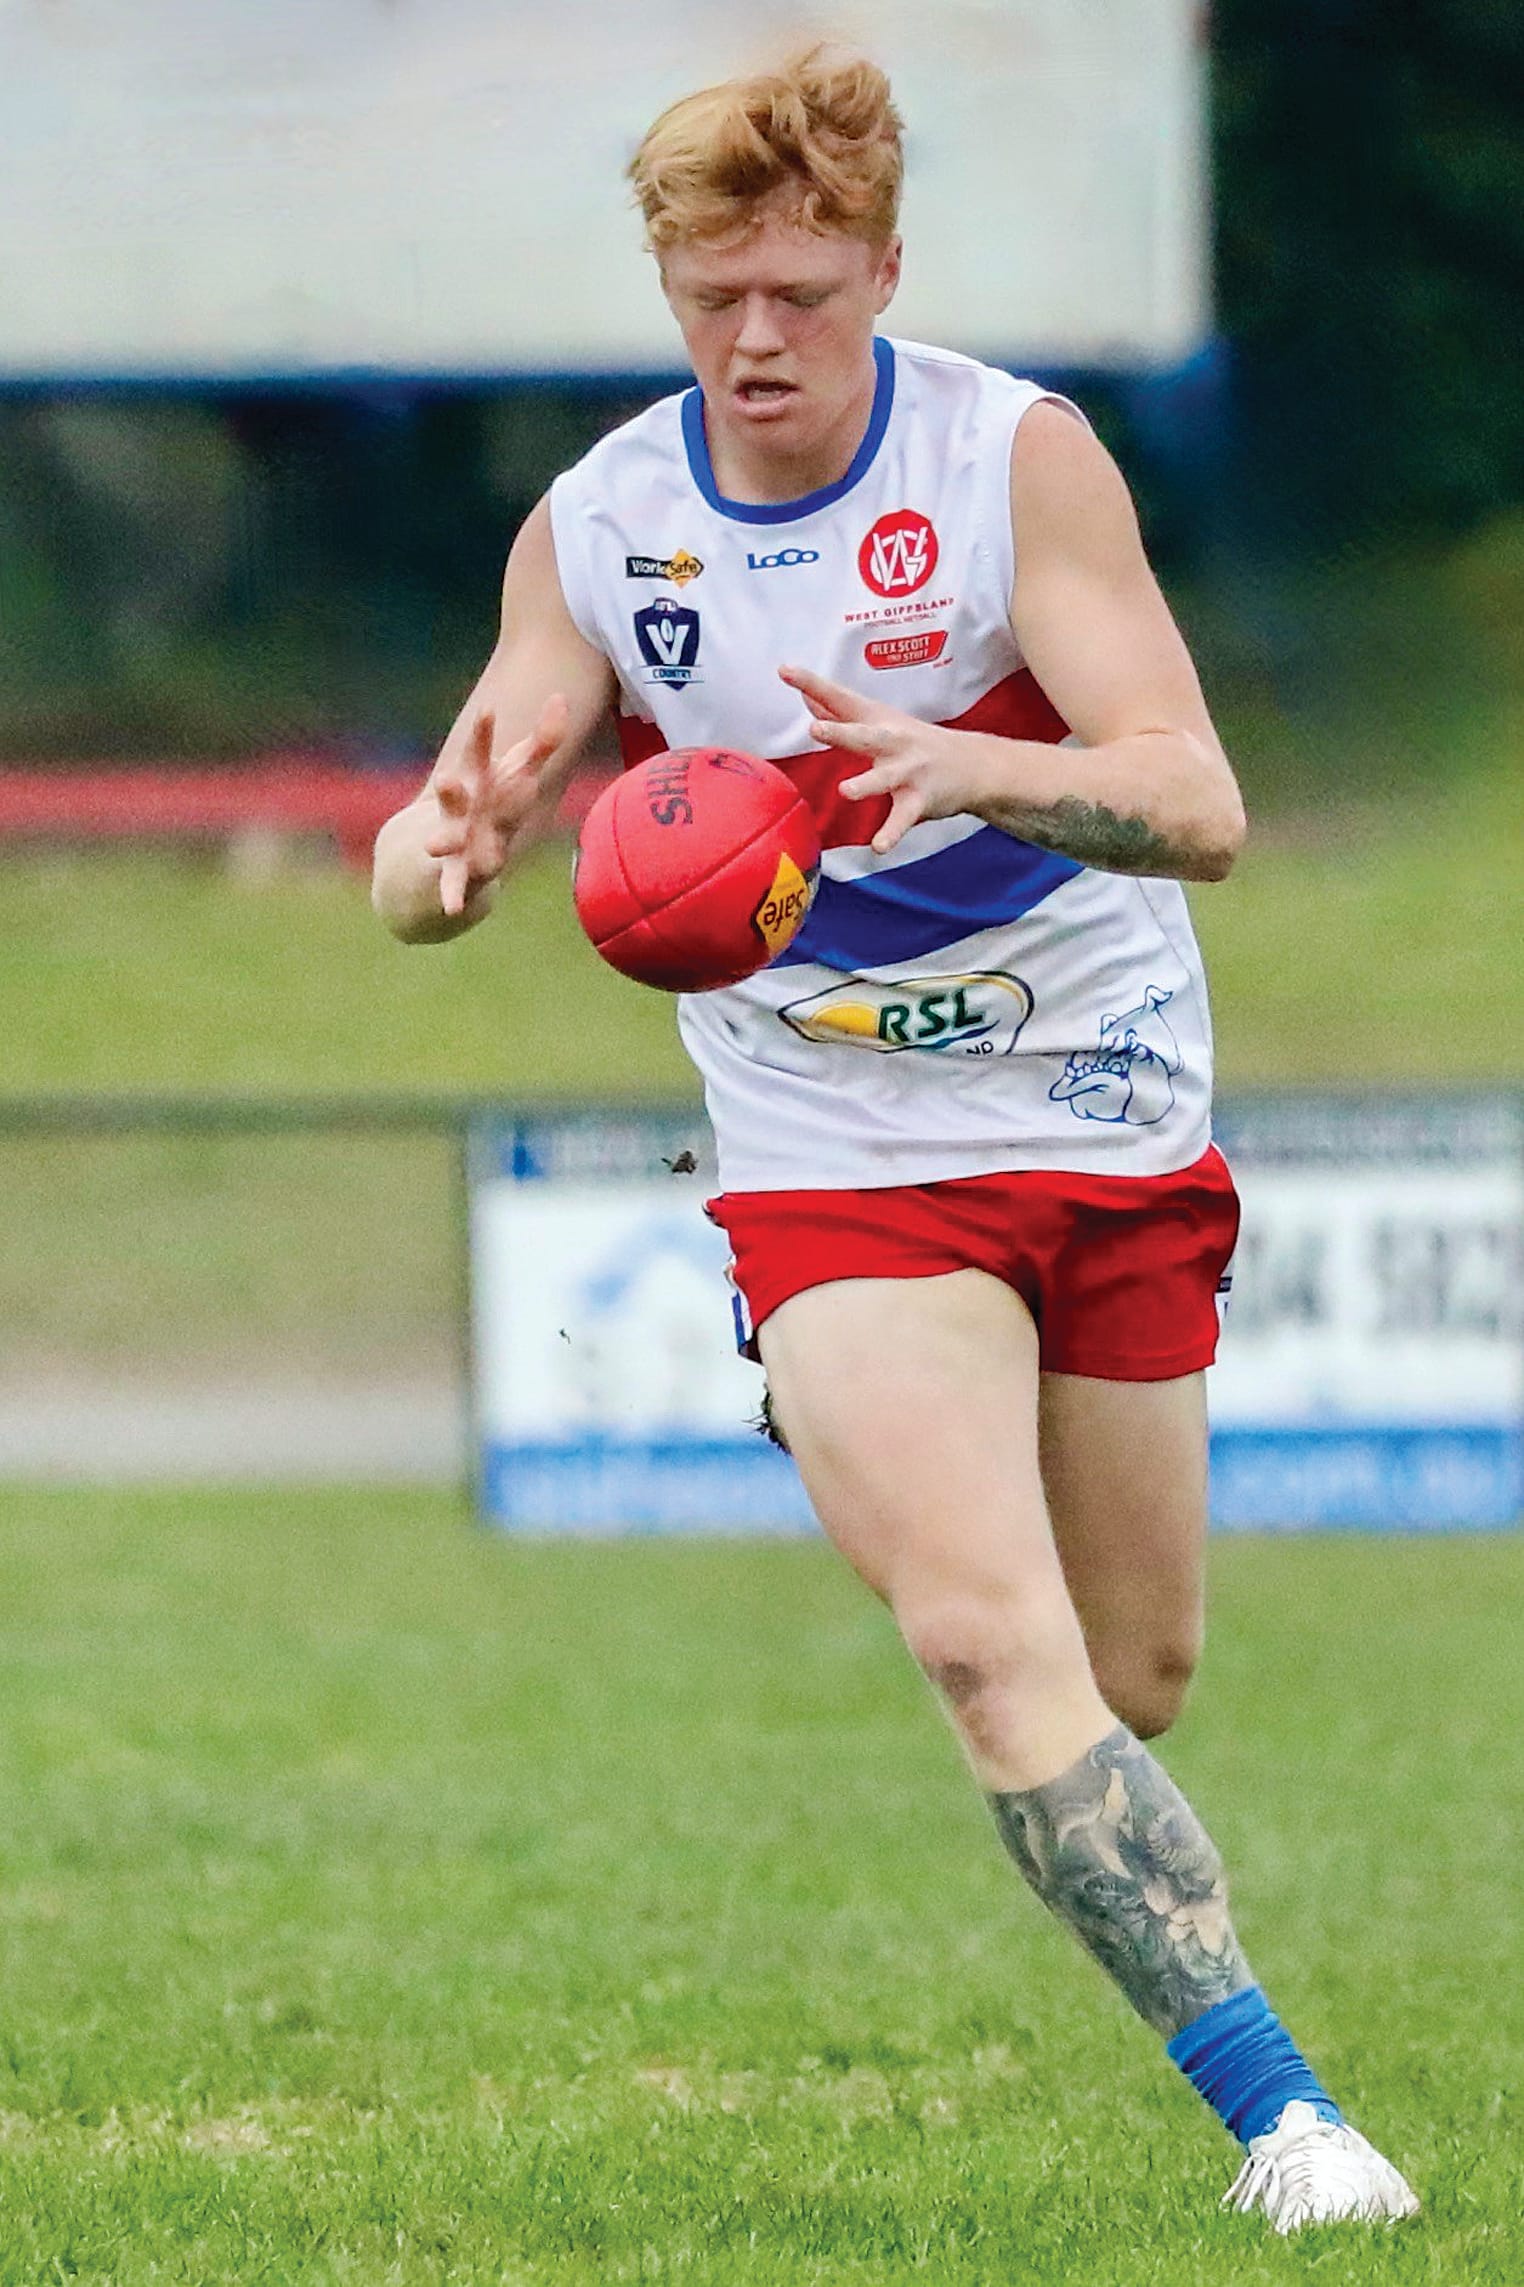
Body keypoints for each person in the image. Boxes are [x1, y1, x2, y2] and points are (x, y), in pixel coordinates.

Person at [372, 48, 1417, 2233]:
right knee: (978, 1640)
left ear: (884, 272)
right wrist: (437, 857)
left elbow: (1200, 803)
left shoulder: (1013, 458)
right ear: (667, 287)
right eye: (712, 294)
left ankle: (874, 1427)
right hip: (828, 1134)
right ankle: (1291, 2128)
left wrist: (983, 762)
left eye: (802, 290)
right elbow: (469, 783)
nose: (756, 340)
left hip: (1099, 1086)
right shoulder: (603, 523)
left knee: (1129, 1675)